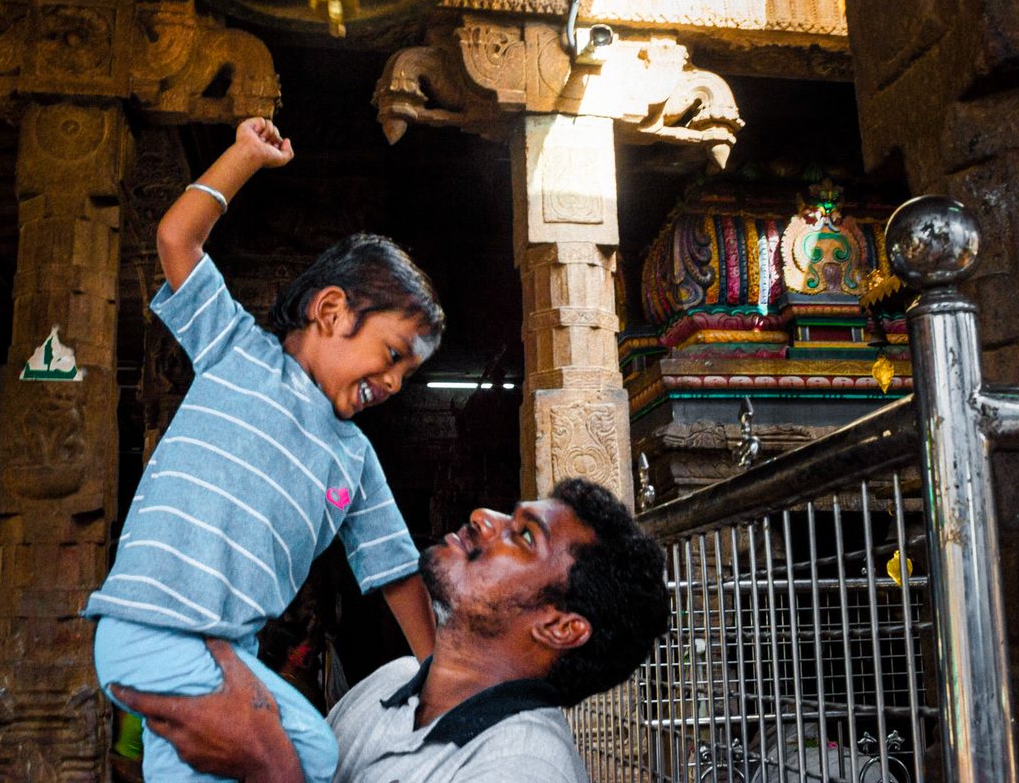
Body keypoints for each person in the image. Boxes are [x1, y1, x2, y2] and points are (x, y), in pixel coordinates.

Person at [83, 117, 444, 783]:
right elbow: (176, 236)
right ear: (330, 310)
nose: (393, 384)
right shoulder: (235, 352)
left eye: (407, 375)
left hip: (231, 655)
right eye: (392, 356)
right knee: (305, 754)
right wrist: (245, 156)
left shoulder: (355, 460)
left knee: (260, 761)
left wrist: (437, 671)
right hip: (153, 627)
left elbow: (394, 569)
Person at [111, 477, 670, 783]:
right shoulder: (390, 685)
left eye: (524, 537)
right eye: (509, 514)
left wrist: (268, 769)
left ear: (559, 626)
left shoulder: (521, 765)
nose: (483, 516)